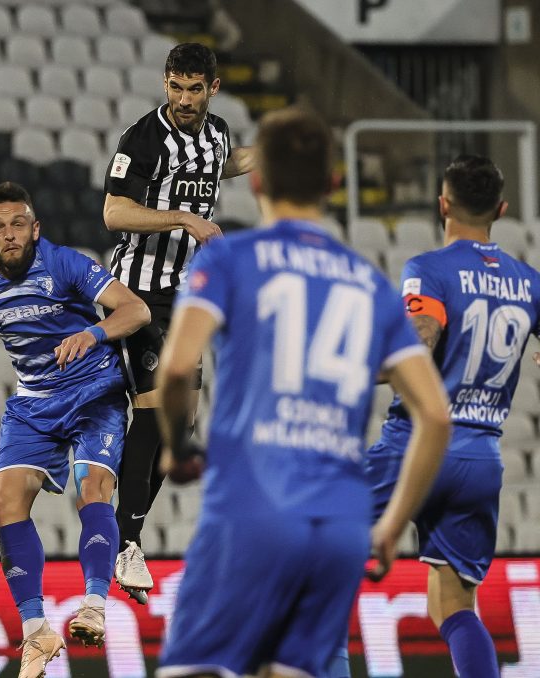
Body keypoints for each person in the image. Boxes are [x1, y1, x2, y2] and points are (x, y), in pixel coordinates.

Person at [154, 107, 452, 678]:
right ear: (333, 185)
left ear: (257, 181)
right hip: (341, 525)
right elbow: (434, 415)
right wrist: (390, 527)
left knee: (194, 668)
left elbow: (173, 370)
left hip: (253, 505)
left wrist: (174, 445)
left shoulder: (228, 257)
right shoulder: (369, 282)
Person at [0, 182, 149, 678]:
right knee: (4, 501)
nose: (10, 234)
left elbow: (136, 309)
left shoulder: (65, 263)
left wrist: (92, 332)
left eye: (19, 224)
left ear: (35, 228)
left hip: (94, 392)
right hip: (33, 404)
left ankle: (94, 607)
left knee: (92, 488)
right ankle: (36, 630)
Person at [343, 155, 540, 678]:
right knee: (452, 606)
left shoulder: (429, 269)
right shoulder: (530, 281)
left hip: (415, 446)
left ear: (442, 204)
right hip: (481, 456)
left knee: (316, 556)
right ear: (500, 208)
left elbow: (421, 342)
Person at [102, 42, 256, 602]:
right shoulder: (143, 138)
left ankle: (128, 533)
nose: (184, 99)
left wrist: (269, 154)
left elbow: (225, 161)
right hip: (137, 294)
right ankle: (125, 541)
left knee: (183, 420)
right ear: (165, 83)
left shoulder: (213, 134)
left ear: (213, 89)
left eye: (194, 89)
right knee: (153, 403)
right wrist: (184, 217)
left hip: (186, 297)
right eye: (175, 87)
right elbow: (114, 212)